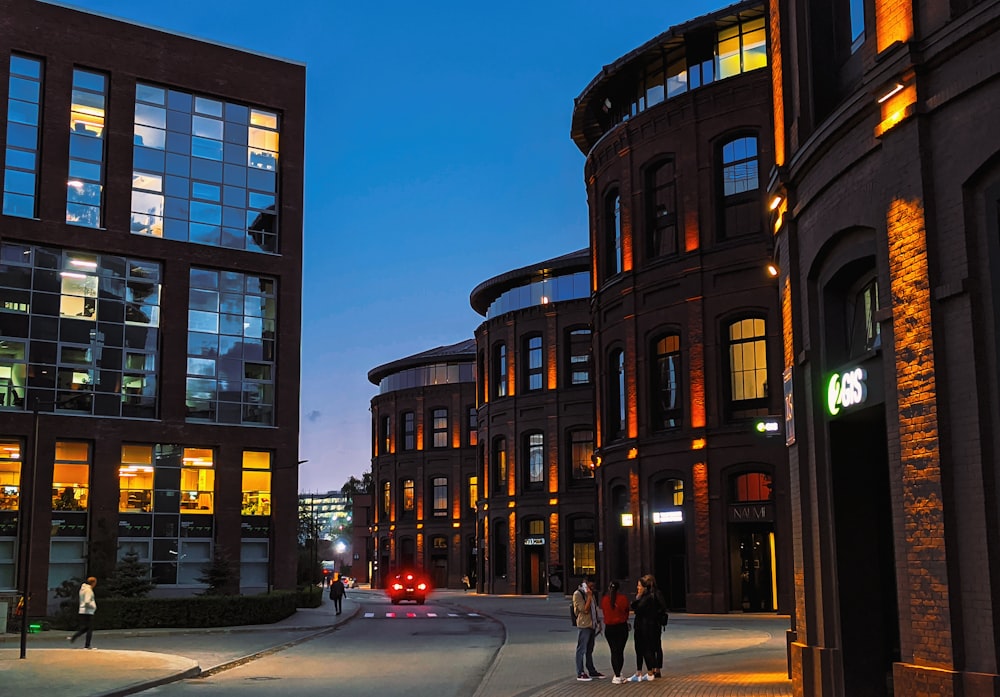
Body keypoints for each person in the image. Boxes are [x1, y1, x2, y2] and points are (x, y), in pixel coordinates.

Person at [628, 573, 666, 681]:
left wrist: (637, 598)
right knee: (656, 646)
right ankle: (655, 669)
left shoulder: (648, 596)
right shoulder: (656, 594)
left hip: (647, 625)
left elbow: (637, 608)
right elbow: (662, 607)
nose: (638, 587)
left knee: (648, 647)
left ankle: (651, 670)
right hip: (654, 624)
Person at [572, 575, 605, 681]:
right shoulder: (578, 594)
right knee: (581, 649)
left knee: (589, 650)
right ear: (586, 583)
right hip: (584, 625)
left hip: (592, 625)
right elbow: (584, 610)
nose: (593, 587)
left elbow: (594, 609)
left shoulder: (590, 592)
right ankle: (580, 672)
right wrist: (589, 597)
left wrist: (598, 622)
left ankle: (591, 670)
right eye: (592, 585)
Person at [599, 579, 631, 684]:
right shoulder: (623, 599)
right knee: (620, 651)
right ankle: (618, 674)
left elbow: (604, 611)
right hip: (621, 627)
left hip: (609, 628)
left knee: (613, 651)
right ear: (619, 589)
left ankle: (616, 674)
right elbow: (627, 612)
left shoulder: (604, 599)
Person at [68, 576, 97, 648]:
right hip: (88, 611)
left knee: (86, 628)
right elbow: (87, 601)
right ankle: (87, 645)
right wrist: (93, 607)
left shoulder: (82, 589)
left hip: (82, 610)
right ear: (93, 583)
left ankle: (75, 636)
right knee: (89, 629)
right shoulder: (88, 590)